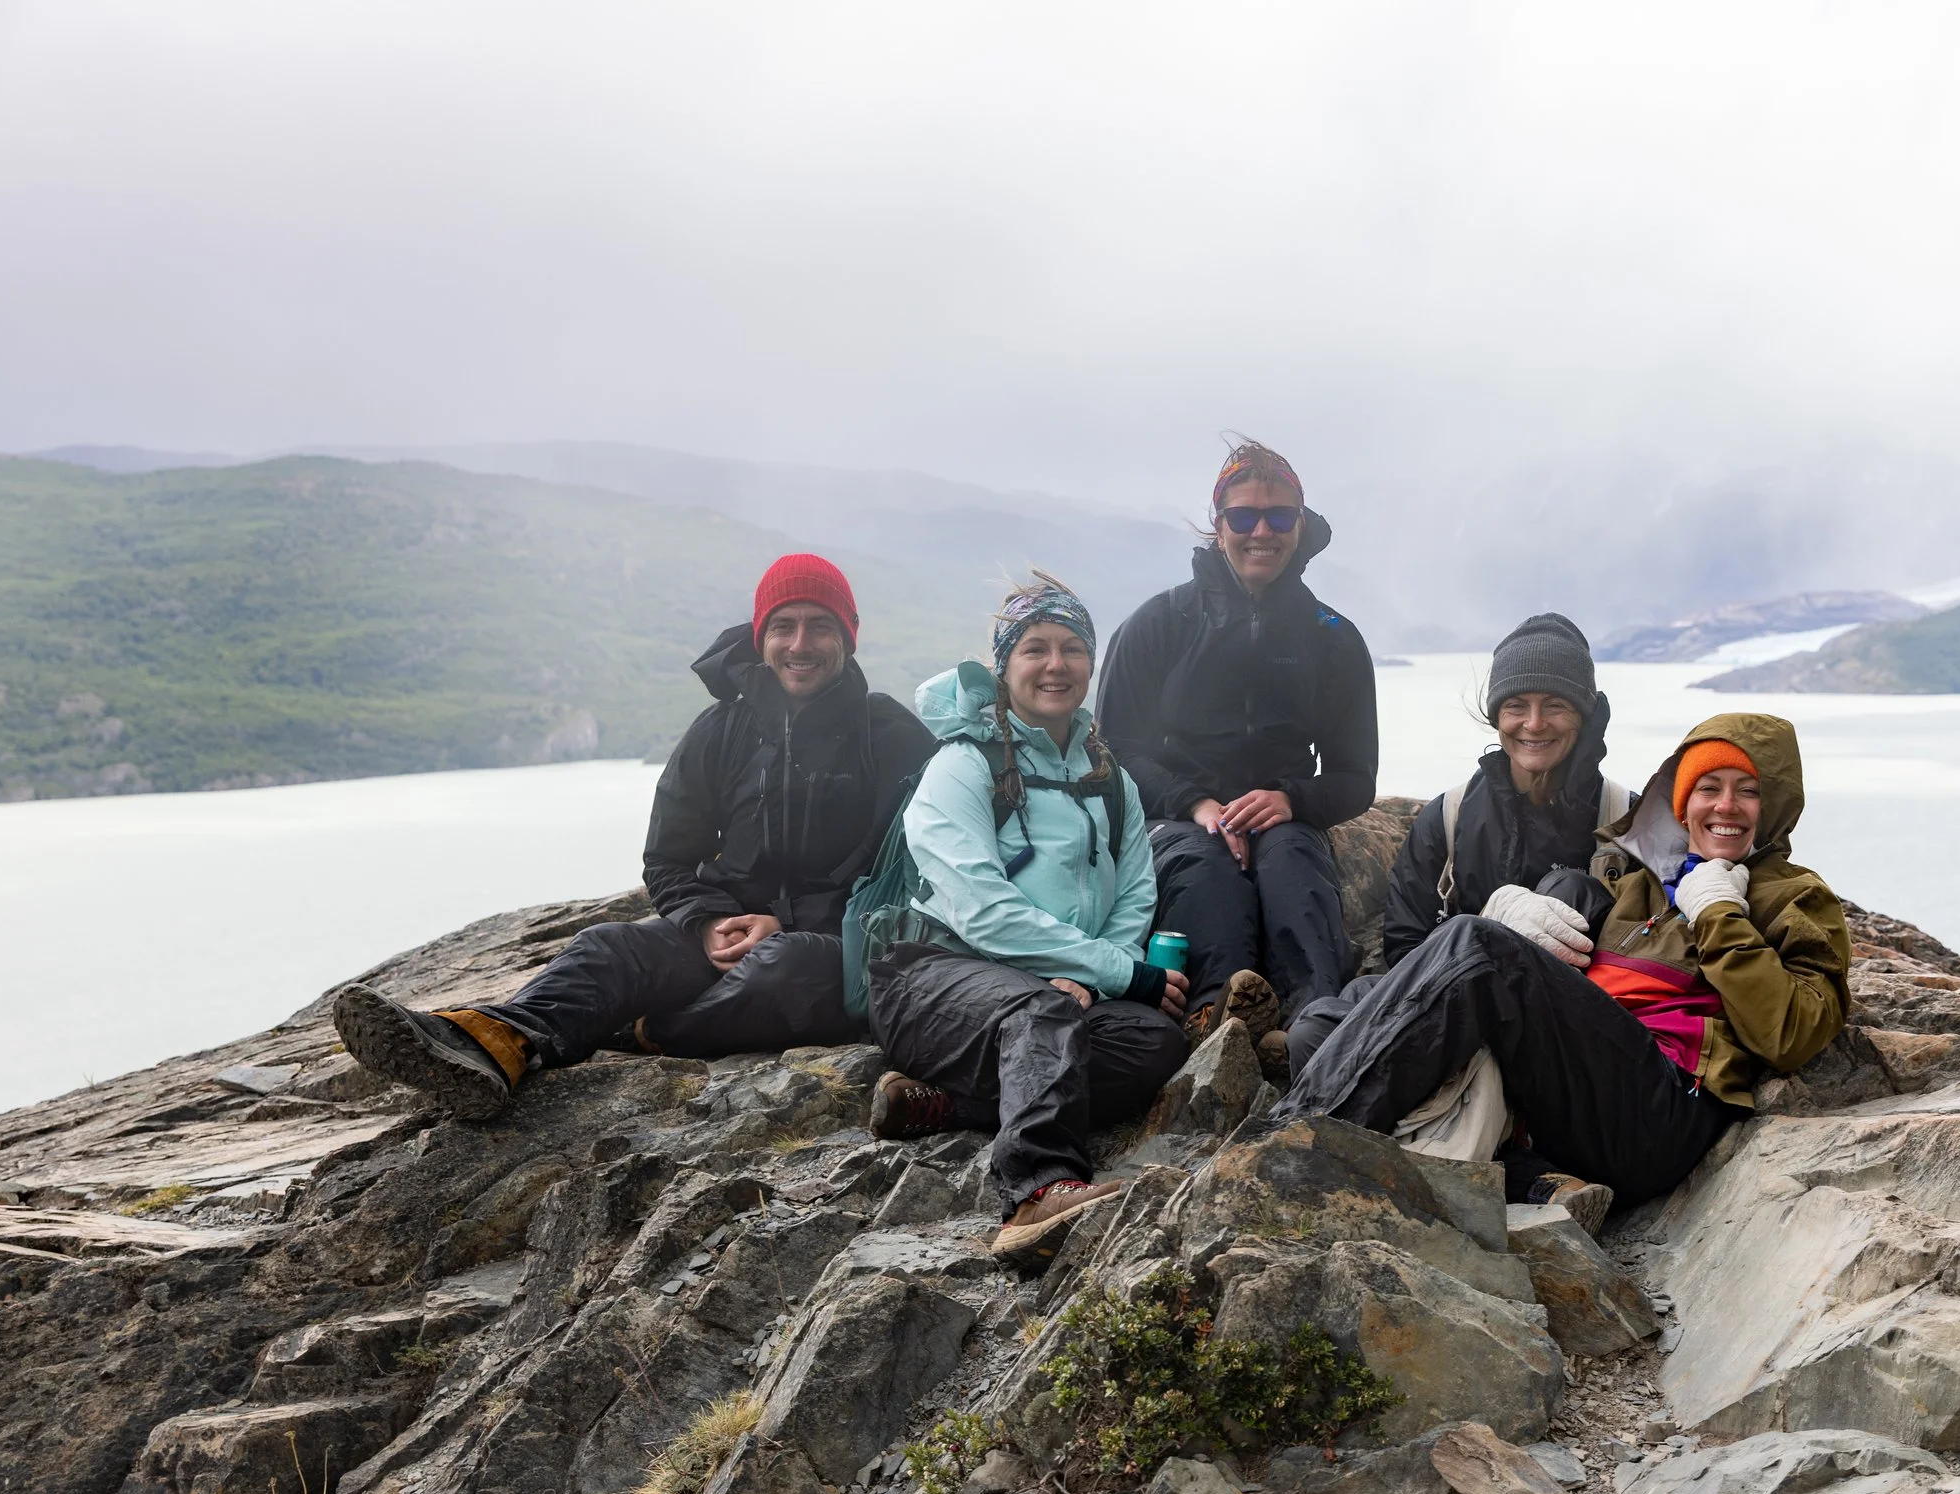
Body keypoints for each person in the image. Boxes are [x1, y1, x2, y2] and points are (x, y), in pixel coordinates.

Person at [333, 553, 937, 1117]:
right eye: (783, 626)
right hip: (722, 939)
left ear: (847, 636)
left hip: (834, 949)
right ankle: (496, 1041)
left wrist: (795, 924)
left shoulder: (889, 735)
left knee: (789, 965)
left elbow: (917, 875)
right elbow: (669, 857)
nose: (799, 645)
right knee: (609, 947)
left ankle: (646, 1029)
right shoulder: (721, 729)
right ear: (761, 636)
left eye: (819, 626)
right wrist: (706, 923)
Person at [1261, 714, 1850, 1216]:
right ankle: (1530, 1181)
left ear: (1773, 805)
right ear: (1682, 800)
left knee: (1477, 950)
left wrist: (1720, 914)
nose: (1725, 806)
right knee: (1344, 1013)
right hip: (1574, 1094)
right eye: (1708, 787)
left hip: (1662, 1106)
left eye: (1746, 790)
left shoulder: (1793, 898)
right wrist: (1509, 909)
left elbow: (1792, 1033)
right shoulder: (1637, 881)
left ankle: (1298, 1143)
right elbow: (1554, 969)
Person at [863, 574, 1189, 1264]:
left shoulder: (1110, 778)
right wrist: (1076, 974)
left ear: (1091, 664)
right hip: (931, 977)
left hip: (1052, 997)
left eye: (1072, 648)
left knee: (1152, 1043)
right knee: (1045, 1015)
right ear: (1003, 666)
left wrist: (1097, 983)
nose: (1055, 664)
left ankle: (948, 1106)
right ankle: (1038, 1193)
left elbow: (1134, 893)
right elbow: (979, 907)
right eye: (1034, 648)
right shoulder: (960, 766)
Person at [1095, 439, 1377, 1073]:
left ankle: (1312, 1024)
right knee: (1207, 871)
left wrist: (1291, 799)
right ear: (1217, 522)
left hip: (1282, 815)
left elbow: (1355, 777)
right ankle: (1217, 1017)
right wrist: (1196, 804)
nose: (1261, 532)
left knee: (1294, 866)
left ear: (1301, 526)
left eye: (1279, 517)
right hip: (1178, 816)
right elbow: (1113, 753)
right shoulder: (1160, 624)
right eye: (1244, 516)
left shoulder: (1332, 638)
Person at [1285, 613, 1630, 1076]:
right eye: (1516, 705)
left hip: (1564, 1028)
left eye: (1555, 704)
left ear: (1584, 713)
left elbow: (1646, 951)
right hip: (1453, 1009)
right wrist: (1486, 931)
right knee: (1316, 1031)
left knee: (1567, 889)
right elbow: (1405, 945)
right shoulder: (1449, 816)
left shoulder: (1623, 818)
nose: (1533, 723)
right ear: (1495, 715)